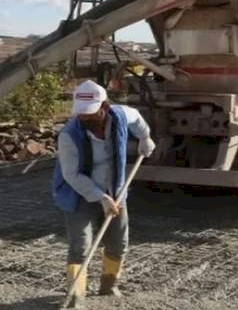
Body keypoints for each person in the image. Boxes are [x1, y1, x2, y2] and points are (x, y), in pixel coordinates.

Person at [53, 80, 156, 308]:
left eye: (91, 114)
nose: (86, 119)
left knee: (118, 241)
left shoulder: (120, 115)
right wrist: (101, 198)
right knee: (81, 245)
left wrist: (145, 137)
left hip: (116, 191)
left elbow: (137, 118)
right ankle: (76, 298)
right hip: (81, 194)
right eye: (82, 115)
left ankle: (109, 286)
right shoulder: (69, 136)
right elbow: (72, 175)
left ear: (105, 108)